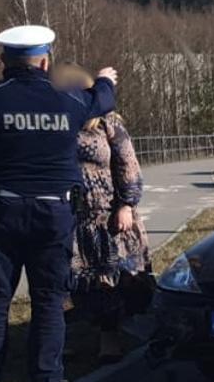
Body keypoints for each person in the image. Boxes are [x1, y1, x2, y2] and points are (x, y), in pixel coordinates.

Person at [0, 24, 119, 382]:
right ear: (45, 61)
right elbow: (103, 100)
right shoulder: (68, 101)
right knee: (48, 296)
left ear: (4, 61)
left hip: (2, 209)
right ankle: (47, 379)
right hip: (54, 211)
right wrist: (103, 79)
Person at [53, 65, 151, 365]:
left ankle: (109, 339)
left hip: (106, 216)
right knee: (65, 282)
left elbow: (128, 165)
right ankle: (63, 340)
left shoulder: (107, 123)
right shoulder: (59, 121)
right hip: (70, 216)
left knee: (110, 279)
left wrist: (126, 204)